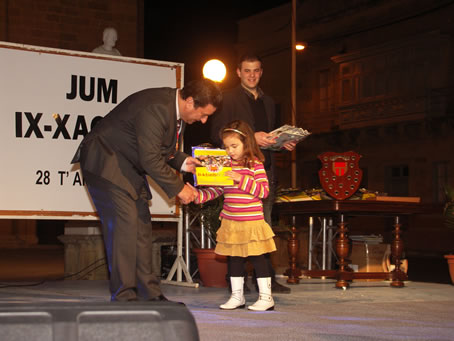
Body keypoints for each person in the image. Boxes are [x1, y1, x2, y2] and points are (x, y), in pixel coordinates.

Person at [71, 79, 222, 301]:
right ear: (190, 102)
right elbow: (150, 158)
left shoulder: (173, 109)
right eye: (203, 114)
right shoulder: (157, 108)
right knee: (125, 226)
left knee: (141, 227)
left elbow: (159, 149)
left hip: (127, 166)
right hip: (106, 161)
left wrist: (182, 162)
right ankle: (124, 297)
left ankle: (150, 294)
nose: (203, 120)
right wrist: (180, 188)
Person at [210, 53, 296, 294]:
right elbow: (216, 132)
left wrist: (281, 143)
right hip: (237, 171)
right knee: (237, 227)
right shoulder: (227, 98)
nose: (252, 75)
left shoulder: (269, 101)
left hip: (263, 169)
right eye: (247, 70)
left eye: (256, 70)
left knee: (262, 227)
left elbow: (267, 139)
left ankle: (265, 278)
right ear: (238, 72)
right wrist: (249, 138)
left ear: (261, 72)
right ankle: (236, 280)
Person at [190, 120, 276, 311]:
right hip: (231, 220)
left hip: (251, 221)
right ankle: (237, 296)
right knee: (234, 260)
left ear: (247, 143)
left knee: (257, 258)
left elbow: (263, 191)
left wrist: (241, 178)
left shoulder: (255, 164)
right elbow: (218, 190)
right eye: (227, 147)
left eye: (234, 146)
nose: (230, 151)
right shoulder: (225, 165)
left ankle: (266, 297)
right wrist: (199, 196)